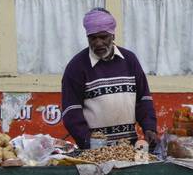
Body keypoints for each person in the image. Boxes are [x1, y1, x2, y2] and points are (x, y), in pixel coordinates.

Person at [59, 8, 160, 151]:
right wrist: (89, 143)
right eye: (93, 38)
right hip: (95, 152)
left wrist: (150, 128)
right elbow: (71, 112)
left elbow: (143, 99)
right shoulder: (76, 67)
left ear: (113, 35)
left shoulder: (129, 60)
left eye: (103, 37)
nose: (98, 43)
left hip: (129, 148)